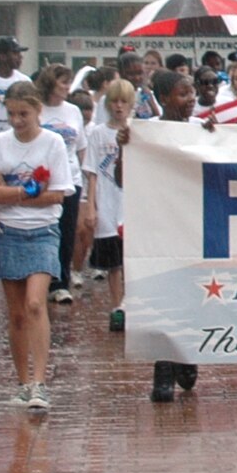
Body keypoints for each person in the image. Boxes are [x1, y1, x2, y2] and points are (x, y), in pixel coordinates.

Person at [0, 81, 73, 412]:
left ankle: (39, 381)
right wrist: (28, 192)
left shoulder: (53, 143)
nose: (17, 120)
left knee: (36, 303)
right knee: (17, 313)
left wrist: (13, 191)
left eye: (24, 113)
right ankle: (22, 381)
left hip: (44, 231)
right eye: (11, 114)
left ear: (38, 111)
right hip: (8, 232)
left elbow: (58, 193)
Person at [147, 69, 203, 399]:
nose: (191, 99)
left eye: (192, 93)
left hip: (194, 225)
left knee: (192, 293)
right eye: (183, 94)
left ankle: (187, 353)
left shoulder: (201, 130)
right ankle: (163, 365)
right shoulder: (147, 131)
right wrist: (129, 144)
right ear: (164, 98)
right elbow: (125, 178)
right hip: (160, 226)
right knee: (162, 295)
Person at [33, 63, 90, 305]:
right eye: (63, 82)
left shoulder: (73, 111)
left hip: (71, 179)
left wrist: (85, 181)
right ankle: (40, 276)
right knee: (45, 229)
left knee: (67, 231)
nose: (68, 87)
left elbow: (81, 146)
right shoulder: (37, 109)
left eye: (69, 82)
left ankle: (60, 283)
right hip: (43, 180)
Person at [85, 79, 134, 333]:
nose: (118, 106)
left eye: (123, 101)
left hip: (130, 203)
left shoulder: (137, 130)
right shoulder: (97, 133)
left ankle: (130, 303)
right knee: (113, 262)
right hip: (106, 201)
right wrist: (92, 206)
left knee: (130, 258)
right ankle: (116, 306)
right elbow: (92, 171)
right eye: (114, 101)